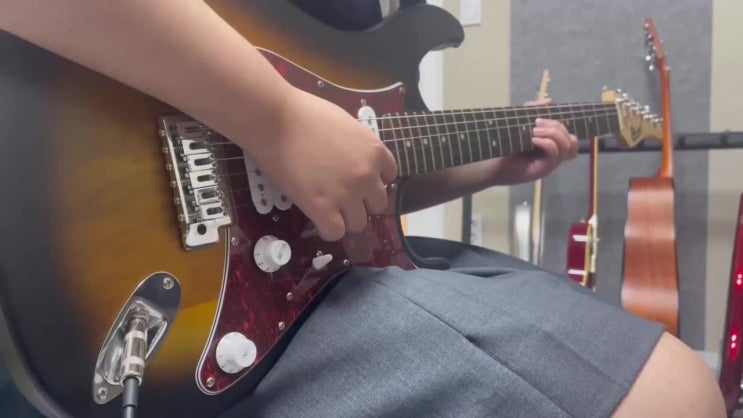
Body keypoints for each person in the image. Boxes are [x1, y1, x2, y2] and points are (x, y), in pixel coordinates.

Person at [0, 1, 726, 417]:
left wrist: (490, 169)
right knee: (671, 396)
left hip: (310, 282)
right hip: (219, 298)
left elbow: (342, 175)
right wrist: (277, 118)